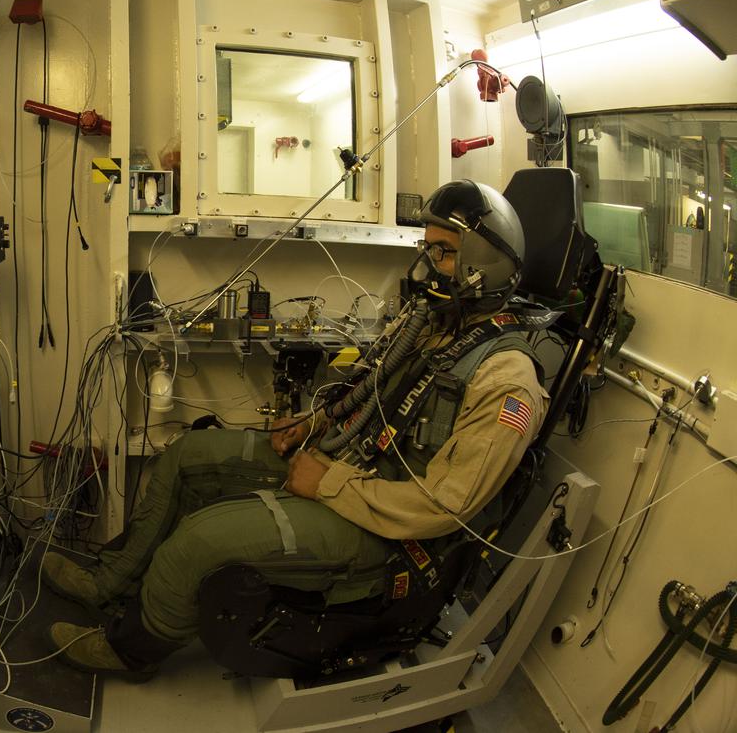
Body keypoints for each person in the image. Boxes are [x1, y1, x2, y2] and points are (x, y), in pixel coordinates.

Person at [44, 180, 549, 680]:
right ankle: (109, 583)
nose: (426, 267)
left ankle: (132, 649)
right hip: (349, 472)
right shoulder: (434, 329)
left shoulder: (505, 379)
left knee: (201, 538)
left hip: (391, 534)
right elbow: (369, 391)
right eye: (427, 249)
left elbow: (444, 507)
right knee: (188, 455)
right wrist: (314, 423)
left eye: (443, 253)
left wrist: (329, 483)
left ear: (482, 267)